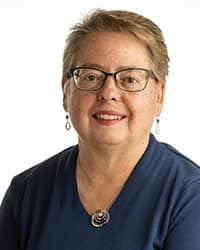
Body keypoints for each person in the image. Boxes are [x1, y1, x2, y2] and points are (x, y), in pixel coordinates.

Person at [0, 8, 200, 250]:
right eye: (92, 77)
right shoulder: (26, 193)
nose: (108, 93)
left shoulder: (190, 196)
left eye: (129, 79)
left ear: (159, 96)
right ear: (66, 92)